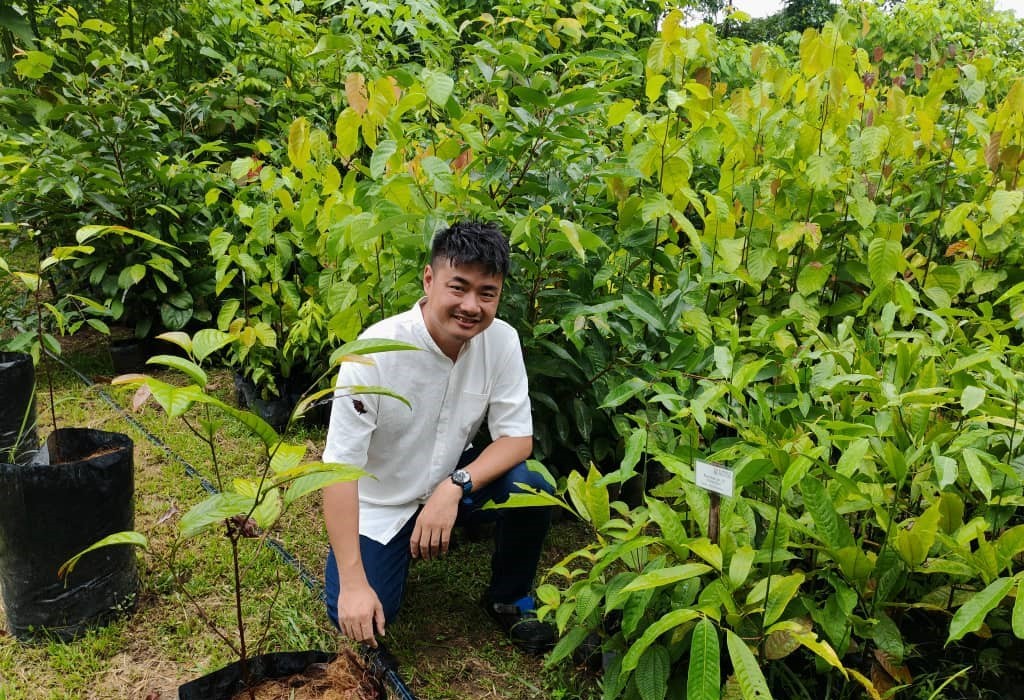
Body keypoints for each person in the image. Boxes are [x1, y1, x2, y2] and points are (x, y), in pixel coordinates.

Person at [322, 220, 556, 655]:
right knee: (361, 615)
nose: (472, 306)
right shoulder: (374, 354)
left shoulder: (501, 342)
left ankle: (508, 597)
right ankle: (360, 563)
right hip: (381, 503)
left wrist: (455, 486)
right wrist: (353, 583)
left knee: (533, 486)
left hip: (450, 482)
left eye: (487, 293)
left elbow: (517, 439)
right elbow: (337, 470)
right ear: (429, 279)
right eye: (458, 287)